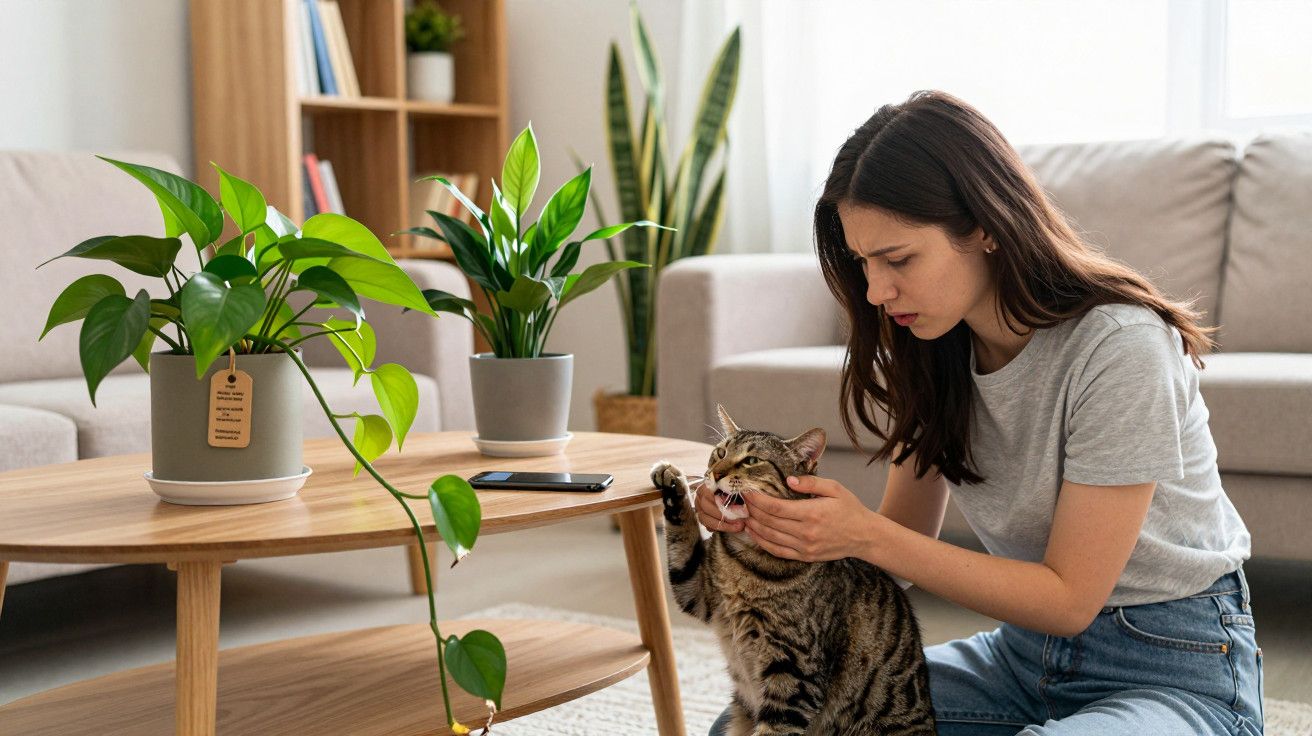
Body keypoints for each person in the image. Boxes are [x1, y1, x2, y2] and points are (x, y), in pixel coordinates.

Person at [702, 91, 1261, 735]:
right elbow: (888, 566)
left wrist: (862, 533)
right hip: (1021, 662)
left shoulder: (1119, 348)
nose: (877, 292)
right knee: (749, 725)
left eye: (899, 259)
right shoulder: (932, 349)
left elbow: (1070, 599)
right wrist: (770, 528)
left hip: (1173, 670)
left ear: (985, 226)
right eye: (863, 263)